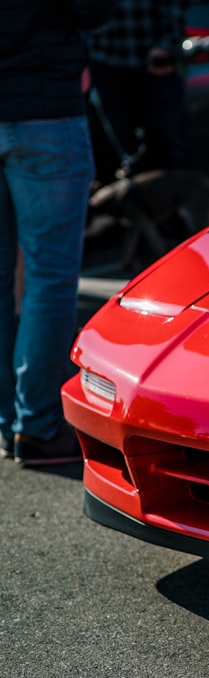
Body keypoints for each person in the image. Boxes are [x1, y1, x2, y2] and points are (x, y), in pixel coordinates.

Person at [0, 0, 116, 465]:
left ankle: (13, 421)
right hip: (44, 106)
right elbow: (93, 10)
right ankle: (39, 426)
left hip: (37, 100)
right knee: (50, 277)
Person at [84, 0, 189, 179]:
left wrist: (167, 45)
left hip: (153, 64)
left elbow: (176, 6)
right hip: (106, 61)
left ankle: (175, 201)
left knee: (167, 146)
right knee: (123, 152)